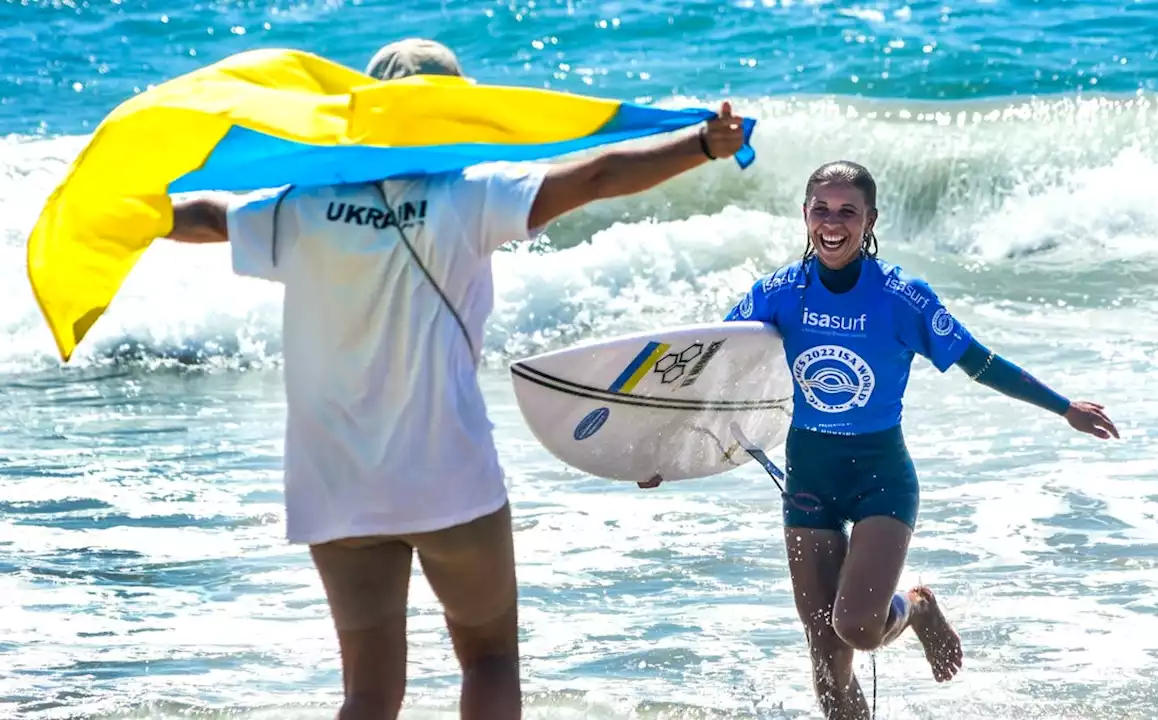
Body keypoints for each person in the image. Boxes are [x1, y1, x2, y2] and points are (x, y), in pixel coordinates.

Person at [159, 37, 748, 720]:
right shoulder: (470, 195)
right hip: (445, 472)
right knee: (489, 660)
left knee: (368, 695)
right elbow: (593, 176)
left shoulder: (303, 206)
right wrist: (702, 144)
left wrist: (118, 212)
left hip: (335, 482)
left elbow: (202, 214)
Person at [640, 160, 1119, 720]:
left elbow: (979, 362)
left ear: (870, 219)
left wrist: (1064, 407)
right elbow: (713, 374)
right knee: (827, 661)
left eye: (848, 211)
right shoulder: (777, 293)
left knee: (859, 628)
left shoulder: (902, 298)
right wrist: (662, 454)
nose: (833, 222)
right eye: (821, 209)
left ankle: (915, 609)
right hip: (810, 478)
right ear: (805, 215)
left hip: (881, 481)